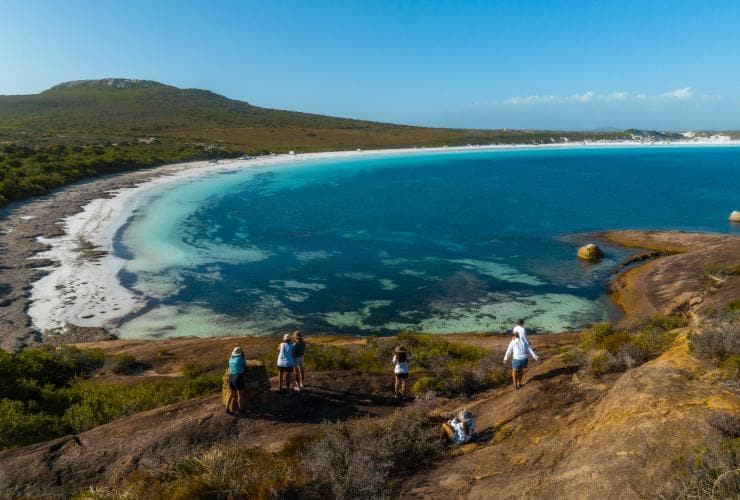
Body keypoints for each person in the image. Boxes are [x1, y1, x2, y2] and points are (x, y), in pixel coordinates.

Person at [226, 346, 247, 414]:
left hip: (231, 377)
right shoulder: (240, 358)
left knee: (231, 393)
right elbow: (244, 366)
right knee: (240, 395)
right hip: (238, 377)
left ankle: (227, 408)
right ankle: (241, 410)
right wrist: (243, 358)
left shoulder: (230, 359)